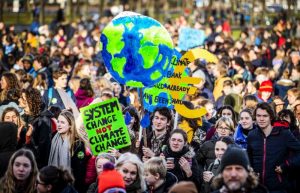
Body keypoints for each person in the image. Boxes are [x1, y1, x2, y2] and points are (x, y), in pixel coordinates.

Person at [247, 102, 300, 193]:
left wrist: (286, 165)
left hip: (278, 187)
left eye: (265, 116)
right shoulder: (252, 135)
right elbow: (249, 158)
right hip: (257, 187)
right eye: (258, 116)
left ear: (271, 117)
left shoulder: (284, 134)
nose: (261, 119)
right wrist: (251, 171)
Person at [48, 109, 87, 193]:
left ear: (70, 125)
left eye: (62, 122)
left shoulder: (78, 144)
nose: (59, 125)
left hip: (71, 186)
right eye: (58, 121)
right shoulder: (53, 137)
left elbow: (80, 171)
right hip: (53, 184)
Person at [18, 87, 53, 169]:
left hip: (36, 168)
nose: (19, 100)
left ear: (30, 102)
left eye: (22, 98)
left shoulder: (43, 121)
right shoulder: (30, 117)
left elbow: (42, 151)